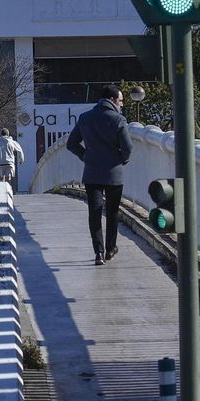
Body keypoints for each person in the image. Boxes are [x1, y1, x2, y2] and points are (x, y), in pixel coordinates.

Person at [66, 84, 132, 265]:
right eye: (120, 101)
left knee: (94, 212)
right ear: (112, 100)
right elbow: (128, 147)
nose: (122, 105)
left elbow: (71, 143)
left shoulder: (85, 118)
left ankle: (99, 253)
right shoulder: (119, 120)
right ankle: (111, 248)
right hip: (114, 174)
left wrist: (85, 155)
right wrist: (122, 160)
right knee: (112, 212)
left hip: (92, 173)